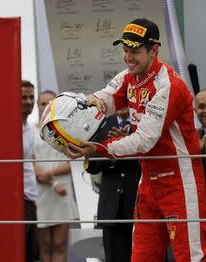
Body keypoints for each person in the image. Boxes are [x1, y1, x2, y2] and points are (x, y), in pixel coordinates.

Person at [64, 18, 206, 261]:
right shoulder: (129, 76)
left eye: (135, 51)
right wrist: (80, 104)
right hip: (148, 182)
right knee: (141, 257)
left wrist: (97, 148)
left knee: (191, 257)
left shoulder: (170, 86)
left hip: (180, 183)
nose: (128, 57)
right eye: (125, 50)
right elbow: (106, 97)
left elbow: (143, 141)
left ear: (154, 50)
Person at [84, 107, 141, 262]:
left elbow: (152, 159)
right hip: (111, 209)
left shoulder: (144, 122)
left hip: (140, 208)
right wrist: (112, 151)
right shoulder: (100, 124)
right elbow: (92, 167)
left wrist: (128, 144)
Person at [33, 90, 79, 262]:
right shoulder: (31, 132)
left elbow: (73, 162)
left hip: (63, 191)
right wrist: (50, 181)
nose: (46, 106)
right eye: (43, 103)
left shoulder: (69, 130)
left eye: (50, 102)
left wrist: (50, 174)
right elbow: (29, 162)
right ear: (38, 106)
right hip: (41, 192)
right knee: (45, 246)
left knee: (60, 244)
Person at [21, 80, 39, 262]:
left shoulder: (30, 130)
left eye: (31, 97)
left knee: (32, 253)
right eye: (23, 97)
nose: (28, 101)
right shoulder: (10, 129)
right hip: (20, 200)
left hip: (32, 198)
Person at [194, 89, 206, 176]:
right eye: (202, 107)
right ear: (195, 111)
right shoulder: (192, 139)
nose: (205, 111)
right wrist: (199, 154)